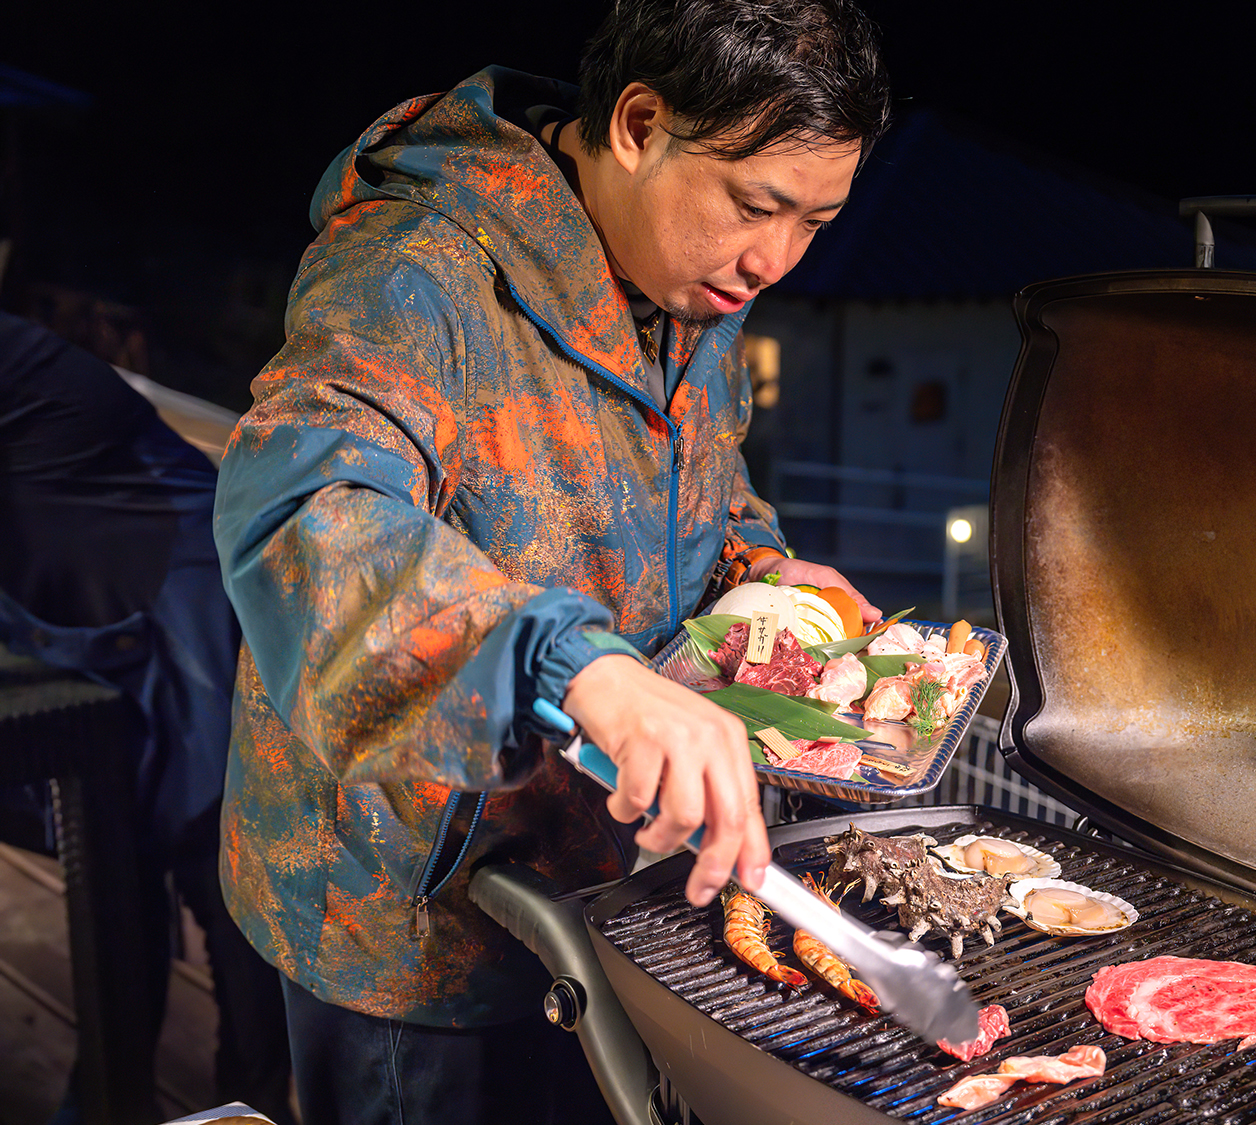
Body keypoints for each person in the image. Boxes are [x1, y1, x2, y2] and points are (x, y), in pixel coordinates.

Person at [209, 1, 891, 1120]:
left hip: (594, 885)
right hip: (406, 918)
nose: (775, 260)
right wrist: (576, 665)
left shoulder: (692, 285)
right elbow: (304, 510)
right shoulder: (413, 269)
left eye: (815, 220)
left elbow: (701, 492)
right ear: (635, 124)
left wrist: (762, 573)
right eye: (756, 206)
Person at [0, 310, 294, 1120]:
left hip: (187, 607)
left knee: (230, 894)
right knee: (117, 866)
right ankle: (110, 1099)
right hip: (94, 632)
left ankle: (248, 1099)